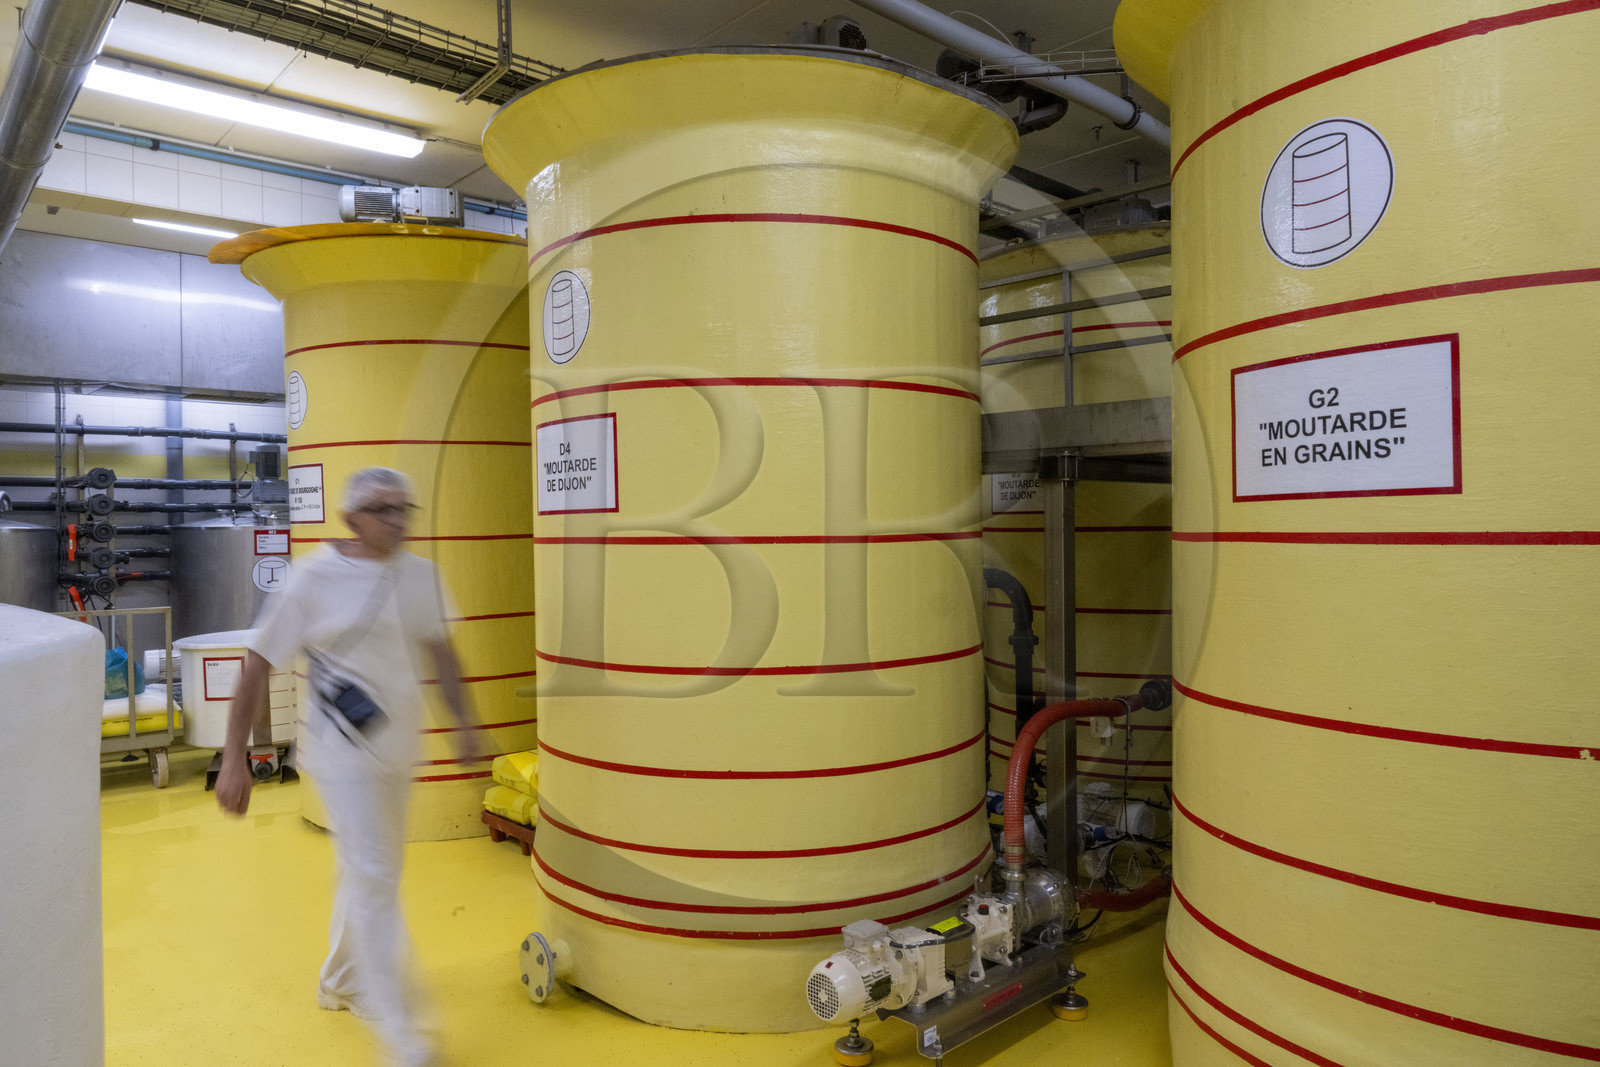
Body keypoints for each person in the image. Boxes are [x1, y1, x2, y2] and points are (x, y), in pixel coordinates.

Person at [217, 467, 481, 1067]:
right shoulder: (312, 579)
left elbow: (443, 655)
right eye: (384, 509)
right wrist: (235, 758)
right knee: (376, 879)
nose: (398, 520)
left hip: (397, 749)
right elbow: (257, 663)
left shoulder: (420, 576)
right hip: (340, 755)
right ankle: (403, 1035)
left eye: (404, 508)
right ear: (351, 518)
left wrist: (466, 725)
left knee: (366, 873)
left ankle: (339, 980)